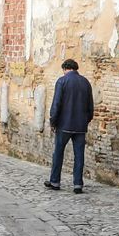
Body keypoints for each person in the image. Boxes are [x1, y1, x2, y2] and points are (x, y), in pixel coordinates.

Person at [47, 59, 94, 192]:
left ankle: (55, 181)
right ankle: (78, 184)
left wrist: (53, 121)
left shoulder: (62, 81)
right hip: (80, 126)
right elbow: (90, 106)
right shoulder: (85, 82)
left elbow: (56, 104)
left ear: (65, 69)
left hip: (64, 124)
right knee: (79, 155)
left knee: (58, 153)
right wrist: (86, 120)